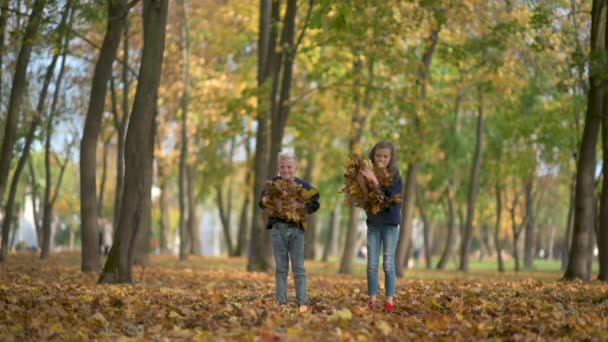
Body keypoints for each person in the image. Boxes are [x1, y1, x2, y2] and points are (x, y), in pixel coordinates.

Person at [259, 151, 320, 311]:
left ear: (295, 168)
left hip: (297, 230)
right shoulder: (272, 184)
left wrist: (301, 206)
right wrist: (273, 202)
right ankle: (282, 302)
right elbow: (262, 202)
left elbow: (315, 204)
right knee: (281, 268)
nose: (286, 170)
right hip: (278, 229)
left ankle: (303, 301)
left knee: (299, 267)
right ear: (278, 168)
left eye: (289, 167)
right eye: (282, 167)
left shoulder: (303, 185)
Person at [360, 141, 403, 312]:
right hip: (374, 224)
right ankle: (372, 299)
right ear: (373, 155)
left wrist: (375, 183)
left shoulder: (396, 176)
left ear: (391, 158)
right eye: (378, 155)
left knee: (388, 264)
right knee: (371, 264)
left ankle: (389, 301)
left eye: (385, 156)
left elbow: (389, 199)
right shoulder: (367, 173)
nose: (381, 159)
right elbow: (363, 197)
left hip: (390, 225)